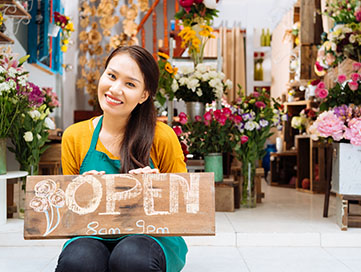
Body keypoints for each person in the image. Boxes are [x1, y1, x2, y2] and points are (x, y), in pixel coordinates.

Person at [56, 45, 188, 272]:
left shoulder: (162, 136)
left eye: (130, 84)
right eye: (112, 76)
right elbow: (69, 213)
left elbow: (187, 203)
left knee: (131, 258)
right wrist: (82, 191)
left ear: (144, 95)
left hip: (152, 236)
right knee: (77, 261)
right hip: (92, 233)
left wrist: (159, 188)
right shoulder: (74, 136)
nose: (115, 89)